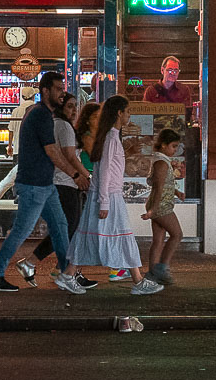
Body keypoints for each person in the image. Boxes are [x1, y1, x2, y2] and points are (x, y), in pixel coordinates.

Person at [0, 72, 88, 294]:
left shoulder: (43, 115)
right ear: (45, 91)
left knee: (60, 227)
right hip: (34, 185)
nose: (61, 93)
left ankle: (66, 273)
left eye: (62, 88)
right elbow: (53, 152)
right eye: (58, 89)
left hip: (44, 184)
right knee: (22, 230)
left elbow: (53, 152)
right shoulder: (40, 115)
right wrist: (75, 175)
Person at [67, 95, 164, 295]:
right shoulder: (111, 139)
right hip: (109, 196)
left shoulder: (110, 138)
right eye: (127, 111)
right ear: (119, 113)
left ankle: (68, 274)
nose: (130, 115)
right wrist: (104, 201)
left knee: (92, 235)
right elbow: (104, 171)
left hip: (106, 195)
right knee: (122, 234)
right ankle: (137, 281)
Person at [15, 94, 98, 290]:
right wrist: (84, 176)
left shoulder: (57, 125)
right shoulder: (64, 126)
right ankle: (54, 268)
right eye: (69, 106)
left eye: (75, 107)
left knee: (65, 230)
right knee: (68, 230)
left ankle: (60, 269)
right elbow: (70, 156)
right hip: (65, 183)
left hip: (60, 182)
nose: (73, 110)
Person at [142, 128, 185, 286]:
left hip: (159, 204)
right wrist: (153, 210)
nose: (175, 150)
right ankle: (162, 267)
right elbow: (159, 187)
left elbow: (163, 183)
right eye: (173, 146)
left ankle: (152, 273)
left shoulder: (160, 159)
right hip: (162, 206)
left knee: (158, 240)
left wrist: (176, 191)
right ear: (164, 145)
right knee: (177, 234)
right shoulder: (161, 162)